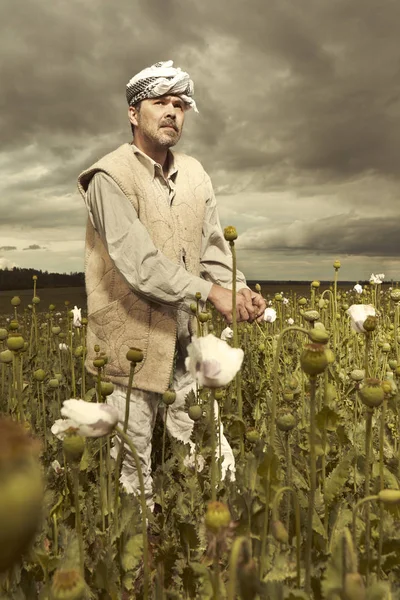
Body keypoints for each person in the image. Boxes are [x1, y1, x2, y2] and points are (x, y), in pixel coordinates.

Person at [77, 60, 266, 510]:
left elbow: (215, 247)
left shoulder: (196, 173)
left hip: (186, 337)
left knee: (207, 445)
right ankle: (139, 561)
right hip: (130, 341)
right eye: (159, 102)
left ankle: (219, 540)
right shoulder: (109, 177)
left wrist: (237, 289)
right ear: (132, 113)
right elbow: (140, 265)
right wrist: (211, 293)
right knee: (134, 462)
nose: (171, 112)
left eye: (180, 104)